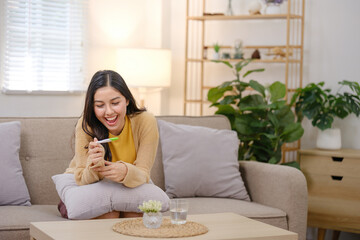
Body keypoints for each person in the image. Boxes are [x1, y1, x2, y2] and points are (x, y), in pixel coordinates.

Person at [61, 70, 160, 219]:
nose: (109, 112)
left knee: (134, 213)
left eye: (115, 103)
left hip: (124, 186)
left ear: (127, 100)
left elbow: (143, 173)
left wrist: (126, 171)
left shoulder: (145, 121)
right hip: (83, 185)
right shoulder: (86, 124)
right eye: (100, 105)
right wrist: (95, 164)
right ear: (92, 107)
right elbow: (82, 179)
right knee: (109, 214)